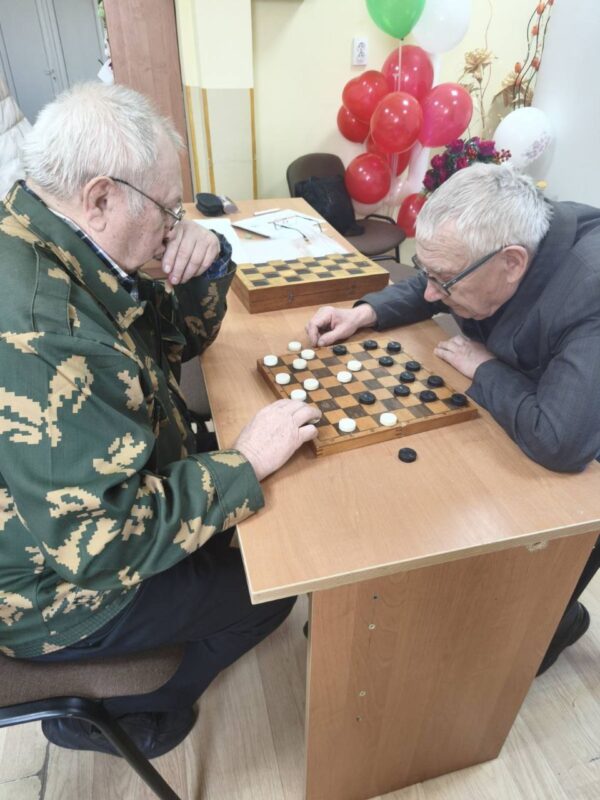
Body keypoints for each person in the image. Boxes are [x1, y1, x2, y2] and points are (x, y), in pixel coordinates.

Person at [0, 82, 321, 758]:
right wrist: (243, 464)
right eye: (166, 209)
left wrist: (205, 263)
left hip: (86, 513)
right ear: (100, 198)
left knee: (259, 533)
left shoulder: (57, 240)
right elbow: (101, 546)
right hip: (49, 593)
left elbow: (172, 341)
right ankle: (126, 712)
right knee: (274, 586)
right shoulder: (46, 334)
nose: (173, 226)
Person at [306, 162, 600, 675]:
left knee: (518, 646)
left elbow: (560, 439)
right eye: (430, 272)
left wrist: (485, 367)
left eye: (446, 281)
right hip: (539, 399)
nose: (430, 293)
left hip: (583, 443)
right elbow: (432, 280)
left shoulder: (589, 289)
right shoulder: (496, 242)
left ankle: (559, 621)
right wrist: (365, 312)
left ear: (512, 263)